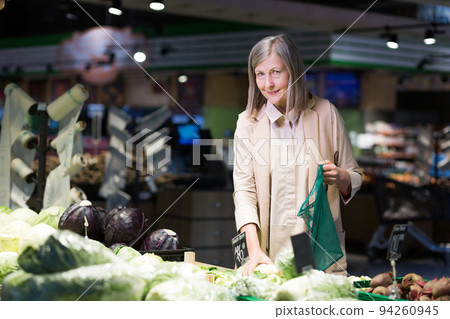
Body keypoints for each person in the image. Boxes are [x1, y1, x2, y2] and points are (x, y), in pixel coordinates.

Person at [232, 34, 362, 276]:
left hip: (313, 245)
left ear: (294, 70)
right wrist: (253, 250)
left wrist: (342, 177)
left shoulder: (325, 113)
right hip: (265, 246)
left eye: (276, 72)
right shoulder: (247, 123)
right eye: (260, 74)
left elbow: (355, 176)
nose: (267, 84)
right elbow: (244, 191)